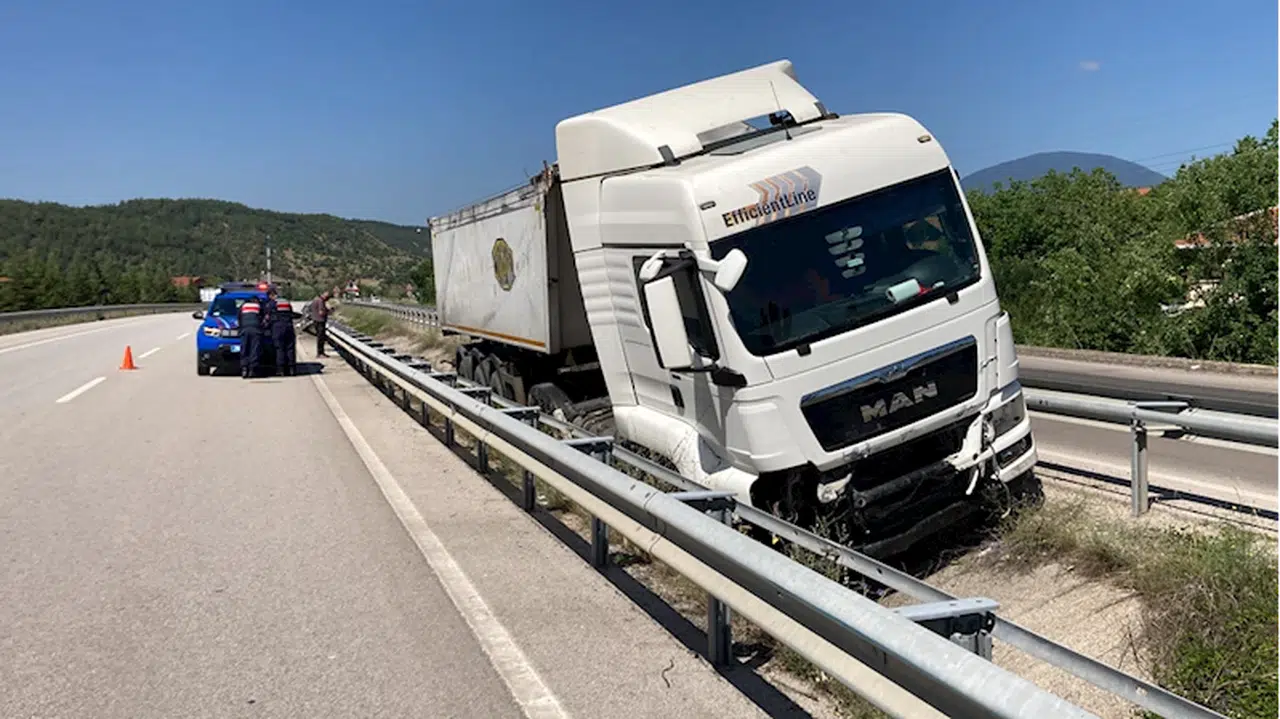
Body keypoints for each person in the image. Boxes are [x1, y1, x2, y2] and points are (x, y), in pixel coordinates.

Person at [264, 288, 299, 375]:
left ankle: (281, 370)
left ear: (271, 295)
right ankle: (291, 369)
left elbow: (267, 317)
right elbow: (291, 313)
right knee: (290, 348)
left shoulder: (272, 303)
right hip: (289, 327)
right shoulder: (286, 302)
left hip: (278, 328)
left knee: (280, 349)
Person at [237, 296, 264, 378]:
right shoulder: (258, 307)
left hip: (244, 329)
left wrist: (241, 327)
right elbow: (263, 318)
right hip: (256, 329)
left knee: (244, 348)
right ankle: (252, 370)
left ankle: (244, 368)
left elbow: (239, 318)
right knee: (254, 349)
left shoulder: (243, 306)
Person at [309, 291, 331, 358]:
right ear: (323, 294)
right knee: (321, 338)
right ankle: (320, 353)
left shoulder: (315, 299)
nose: (327, 297)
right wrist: (328, 311)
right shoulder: (321, 301)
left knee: (319, 337)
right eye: (327, 295)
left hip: (315, 320)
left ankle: (320, 353)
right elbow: (321, 312)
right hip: (320, 321)